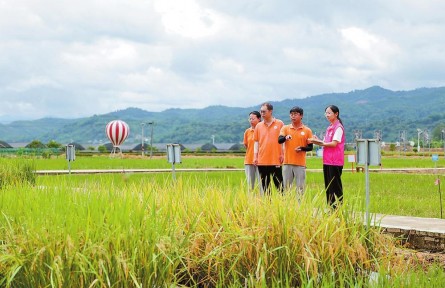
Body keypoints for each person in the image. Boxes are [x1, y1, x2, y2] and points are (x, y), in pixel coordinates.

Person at [310, 105, 345, 208]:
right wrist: (318, 140)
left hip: (335, 161)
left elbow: (334, 144)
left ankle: (338, 210)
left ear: (336, 114)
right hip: (327, 161)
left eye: (329, 113)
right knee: (329, 187)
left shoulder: (338, 127)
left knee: (336, 187)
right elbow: (325, 142)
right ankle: (330, 209)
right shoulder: (329, 127)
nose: (327, 115)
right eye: (326, 113)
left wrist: (320, 142)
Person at [278, 106, 313, 197]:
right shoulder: (285, 128)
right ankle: (287, 207)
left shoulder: (307, 130)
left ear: (301, 116)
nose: (293, 116)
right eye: (291, 114)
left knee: (300, 188)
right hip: (287, 163)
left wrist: (302, 148)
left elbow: (310, 147)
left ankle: (299, 207)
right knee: (286, 187)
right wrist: (286, 137)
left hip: (300, 164)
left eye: (295, 114)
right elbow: (279, 140)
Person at [254, 102, 284, 195]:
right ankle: (268, 206)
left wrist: (283, 154)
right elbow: (256, 142)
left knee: (279, 185)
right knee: (265, 186)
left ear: (270, 111)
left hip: (276, 159)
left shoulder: (279, 124)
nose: (262, 113)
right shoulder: (258, 126)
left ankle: (282, 205)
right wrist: (255, 156)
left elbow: (283, 141)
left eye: (264, 111)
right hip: (262, 160)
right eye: (261, 111)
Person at [243, 111, 261, 191]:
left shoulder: (262, 130)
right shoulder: (247, 131)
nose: (251, 120)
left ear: (259, 119)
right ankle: (250, 202)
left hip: (261, 161)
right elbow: (246, 145)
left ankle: (262, 202)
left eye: (253, 119)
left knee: (262, 184)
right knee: (250, 185)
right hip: (249, 160)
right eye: (250, 119)